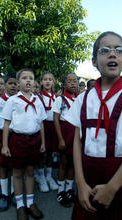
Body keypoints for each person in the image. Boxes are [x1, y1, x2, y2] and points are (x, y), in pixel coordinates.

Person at [64, 31, 122, 219]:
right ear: (93, 61)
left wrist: (112, 188)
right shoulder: (83, 99)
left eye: (119, 50)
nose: (112, 54)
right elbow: (76, 142)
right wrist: (81, 183)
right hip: (88, 177)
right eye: (105, 50)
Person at [1, 68, 45, 220]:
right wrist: (5, 145)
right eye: (24, 78)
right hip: (17, 140)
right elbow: (6, 124)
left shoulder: (37, 100)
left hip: (34, 140)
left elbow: (41, 123)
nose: (28, 80)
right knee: (18, 173)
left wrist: (43, 142)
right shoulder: (12, 100)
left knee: (30, 171)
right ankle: (20, 205)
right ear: (18, 82)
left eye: (31, 78)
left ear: (34, 82)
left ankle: (30, 203)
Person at [0, 73, 18, 211]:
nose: (13, 86)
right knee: (3, 166)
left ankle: (13, 192)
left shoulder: (20, 100)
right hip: (2, 135)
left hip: (15, 136)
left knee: (14, 166)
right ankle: (4, 194)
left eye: (15, 83)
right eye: (10, 83)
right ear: (5, 85)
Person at [53, 72, 78, 207]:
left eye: (75, 81)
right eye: (70, 81)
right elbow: (56, 119)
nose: (73, 83)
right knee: (63, 163)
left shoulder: (80, 98)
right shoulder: (60, 99)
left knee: (73, 163)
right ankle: (60, 190)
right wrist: (61, 139)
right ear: (64, 84)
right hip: (65, 133)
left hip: (77, 134)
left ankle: (69, 189)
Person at [37, 72, 59, 193]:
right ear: (41, 82)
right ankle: (41, 177)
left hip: (53, 126)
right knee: (41, 152)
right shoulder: (38, 97)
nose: (47, 81)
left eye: (50, 79)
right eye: (45, 79)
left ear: (53, 82)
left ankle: (49, 176)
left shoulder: (56, 97)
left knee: (51, 152)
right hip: (42, 126)